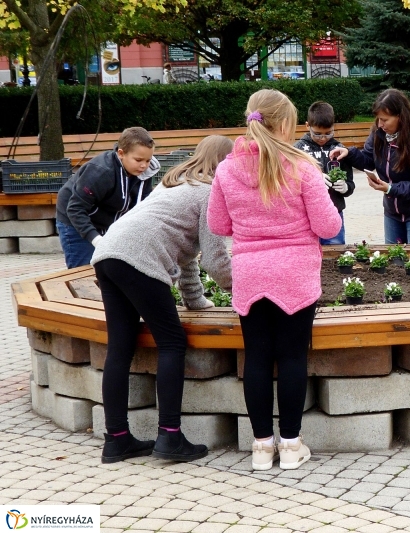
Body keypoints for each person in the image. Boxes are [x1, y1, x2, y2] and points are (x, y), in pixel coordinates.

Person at [207, 89, 341, 471]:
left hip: (250, 273)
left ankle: (262, 449)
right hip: (296, 272)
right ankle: (292, 447)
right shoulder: (301, 167)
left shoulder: (227, 169)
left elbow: (218, 224)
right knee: (294, 357)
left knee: (258, 360)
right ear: (284, 124)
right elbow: (329, 225)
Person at [91, 135, 234, 463]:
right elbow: (214, 261)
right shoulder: (211, 193)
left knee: (120, 348)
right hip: (139, 260)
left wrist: (195, 300)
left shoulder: (174, 184)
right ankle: (169, 436)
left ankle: (116, 440)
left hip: (108, 254)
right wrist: (245, 289)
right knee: (171, 342)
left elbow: (185, 254)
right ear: (226, 165)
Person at [329, 88, 410, 244]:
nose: (380, 124)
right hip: (393, 210)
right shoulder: (379, 132)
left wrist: (390, 188)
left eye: (385, 119)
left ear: (400, 117)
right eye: (378, 119)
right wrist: (348, 153)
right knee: (393, 261)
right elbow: (368, 160)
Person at [56, 127, 160, 269]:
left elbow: (142, 207)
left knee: (111, 270)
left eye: (148, 160)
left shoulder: (144, 172)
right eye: (138, 160)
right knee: (84, 272)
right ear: (121, 153)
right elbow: (75, 208)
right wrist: (96, 240)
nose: (144, 165)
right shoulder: (101, 172)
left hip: (106, 219)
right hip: (74, 219)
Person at [294, 101, 355, 245]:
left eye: (328, 133)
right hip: (305, 217)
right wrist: (312, 180)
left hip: (333, 213)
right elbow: (291, 183)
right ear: (307, 125)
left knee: (335, 256)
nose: (323, 138)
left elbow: (350, 182)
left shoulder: (339, 149)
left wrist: (346, 187)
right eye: (317, 134)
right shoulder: (298, 150)